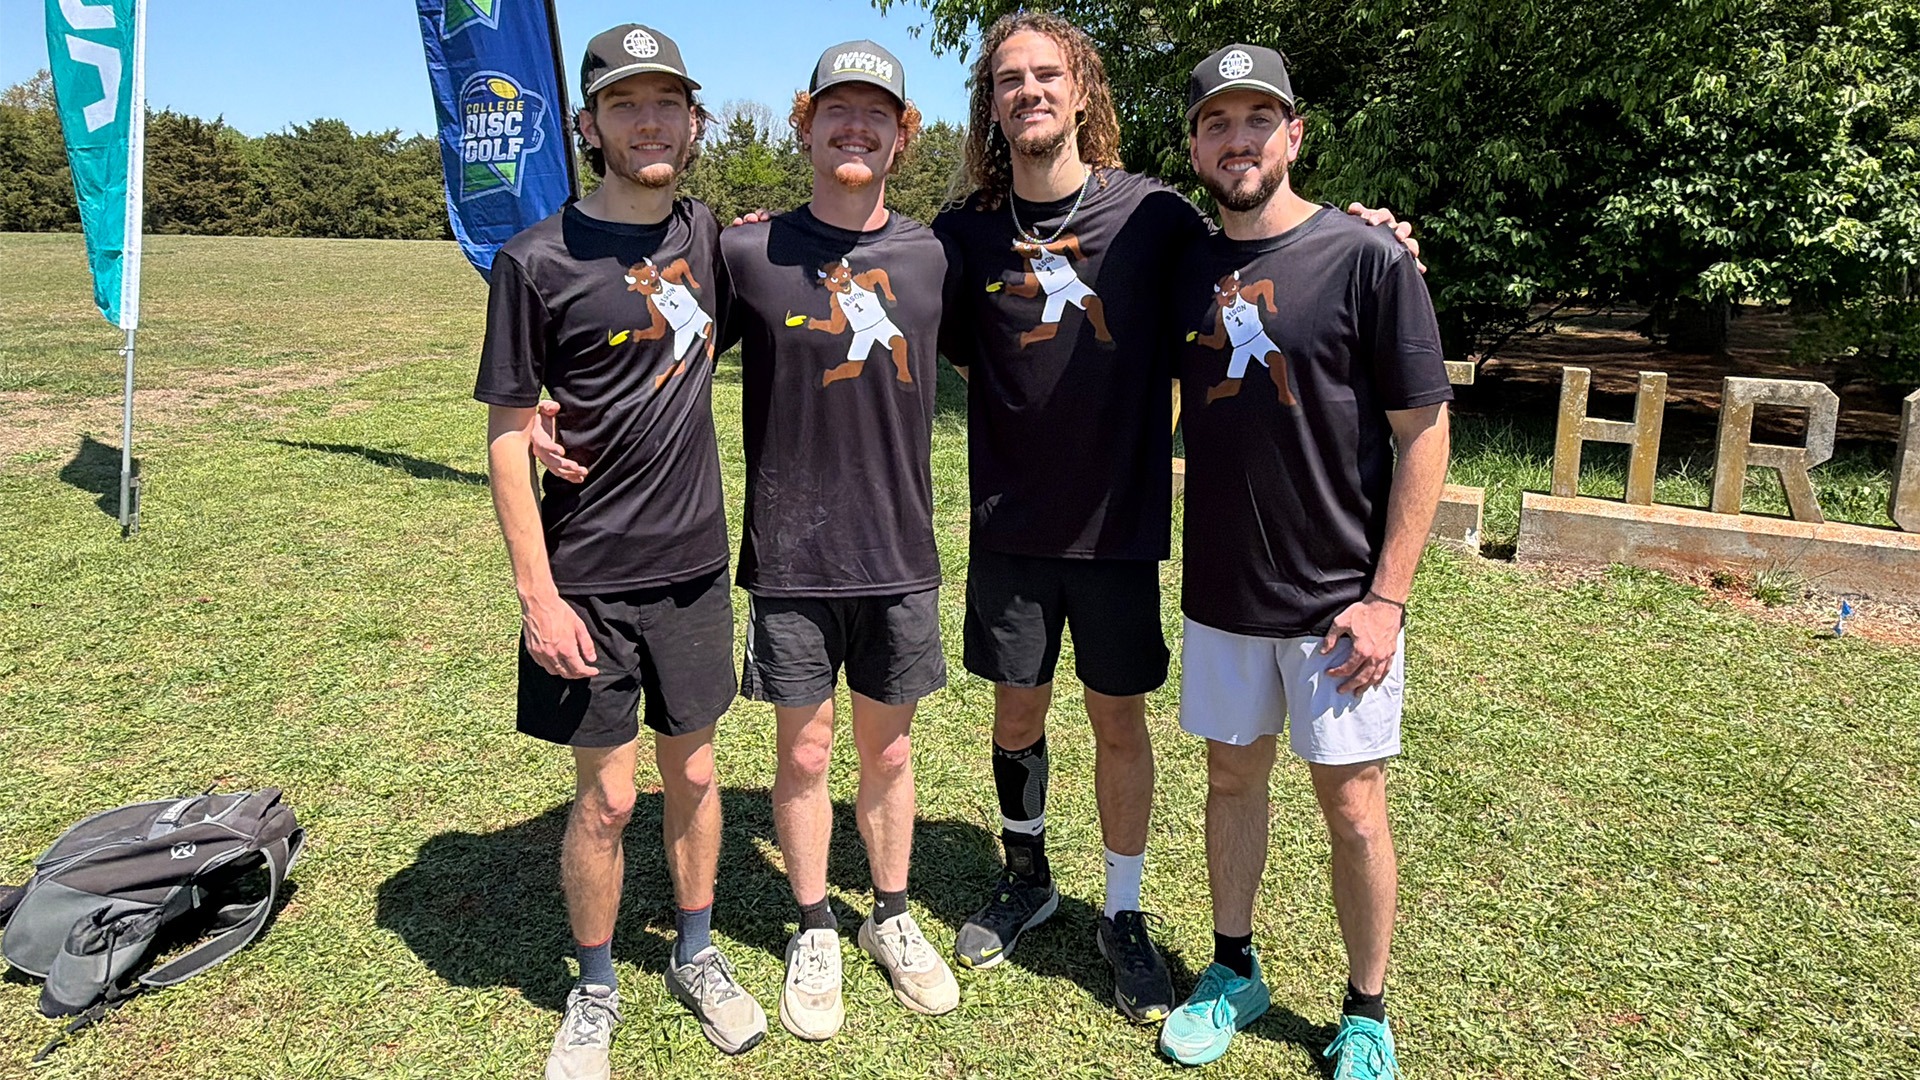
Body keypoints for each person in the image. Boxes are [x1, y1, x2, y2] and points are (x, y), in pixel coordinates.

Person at [932, 11, 1421, 1026]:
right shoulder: (962, 232)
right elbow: (881, 283)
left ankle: (1123, 912)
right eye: (1009, 79)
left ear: (1083, 92)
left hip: (1120, 533)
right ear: (993, 102)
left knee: (1121, 722)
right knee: (1016, 712)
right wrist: (771, 239)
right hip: (1009, 530)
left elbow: (1276, 248)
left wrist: (1373, 234)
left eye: (1048, 75)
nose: (1029, 91)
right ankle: (1028, 876)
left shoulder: (1156, 220)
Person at [474, 24, 767, 1079]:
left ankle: (695, 951)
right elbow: (510, 437)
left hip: (691, 572)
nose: (650, 122)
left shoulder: (713, 238)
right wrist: (537, 598)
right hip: (586, 584)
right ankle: (594, 984)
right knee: (604, 797)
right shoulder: (534, 261)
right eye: (626, 105)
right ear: (589, 124)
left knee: (693, 775)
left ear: (693, 122)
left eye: (668, 104)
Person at [1156, 45, 1451, 1079]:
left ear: (1295, 133)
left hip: (1339, 606)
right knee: (1232, 779)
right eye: (1217, 123)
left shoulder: (1370, 259)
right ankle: (1232, 968)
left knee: (1354, 805)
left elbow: (1423, 430)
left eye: (1257, 119)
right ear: (1195, 143)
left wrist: (1388, 600)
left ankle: (1367, 1011)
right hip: (1224, 591)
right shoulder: (1184, 262)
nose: (1238, 140)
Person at [715, 40, 965, 1041]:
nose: (853, 128)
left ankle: (891, 917)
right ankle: (816, 923)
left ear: (904, 135)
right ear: (804, 122)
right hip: (793, 555)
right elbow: (650, 319)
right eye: (836, 110)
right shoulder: (746, 252)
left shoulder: (935, 256)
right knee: (805, 750)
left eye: (877, 113)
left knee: (890, 751)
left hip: (898, 550)